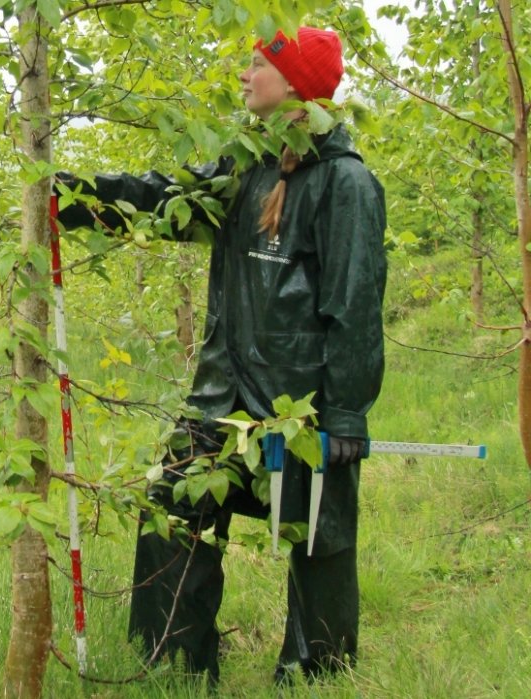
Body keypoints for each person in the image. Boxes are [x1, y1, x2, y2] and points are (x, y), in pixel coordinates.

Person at [55, 28, 387, 686]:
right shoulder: (245, 166)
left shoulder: (346, 183)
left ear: (293, 83)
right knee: (172, 510)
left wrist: (345, 413)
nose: (243, 72)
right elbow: (168, 200)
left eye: (256, 63)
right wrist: (83, 198)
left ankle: (316, 673)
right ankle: (173, 663)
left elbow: (353, 304)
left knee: (315, 538)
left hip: (299, 409)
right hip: (220, 396)